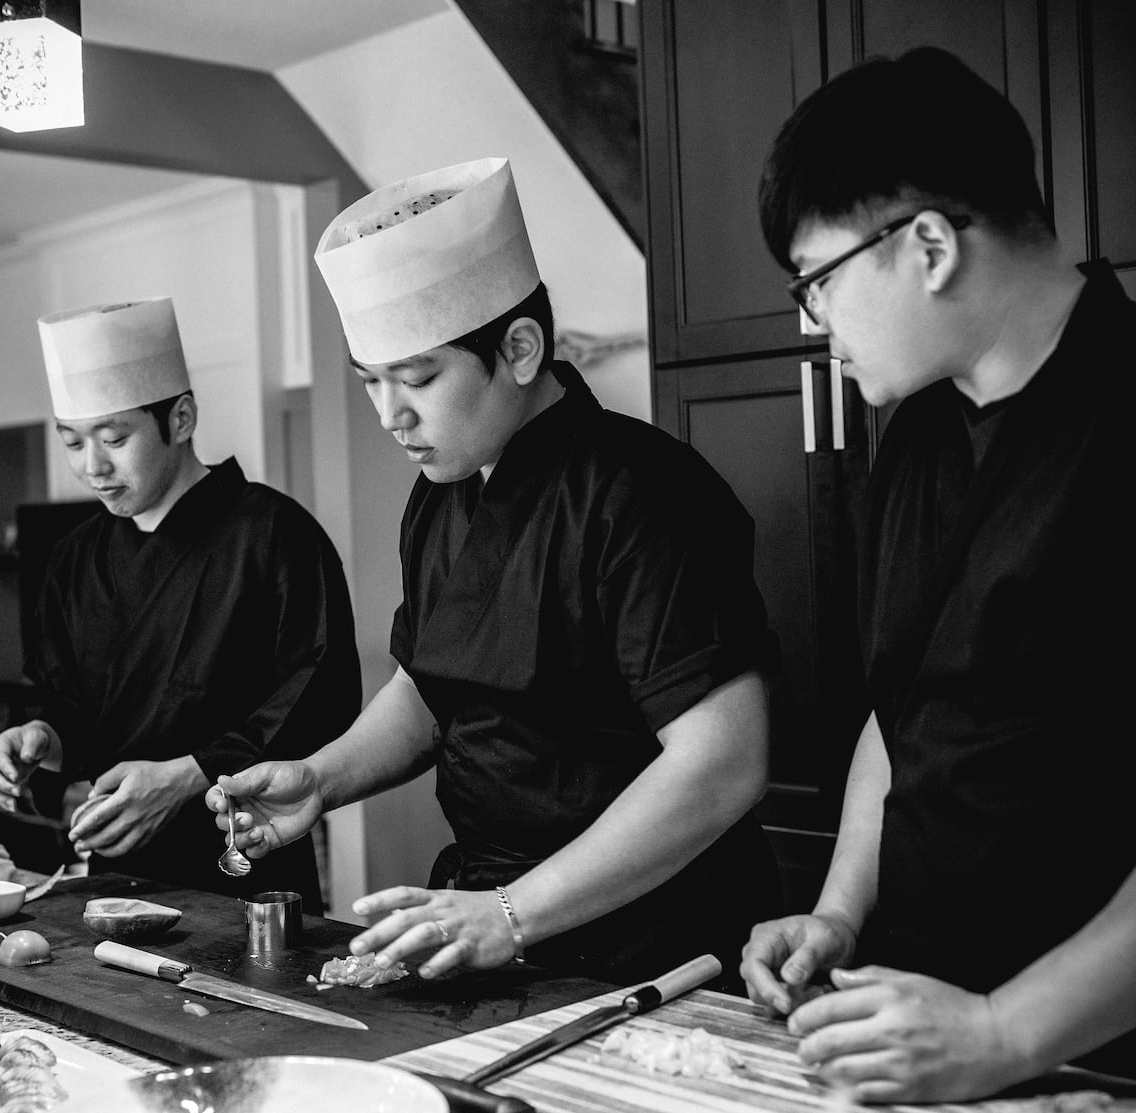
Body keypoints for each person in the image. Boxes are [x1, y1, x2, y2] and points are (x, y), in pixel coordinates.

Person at [206, 158, 781, 983]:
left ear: (518, 348)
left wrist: (513, 914)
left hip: (651, 940)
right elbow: (431, 686)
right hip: (493, 922)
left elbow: (722, 762)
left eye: (418, 379)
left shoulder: (643, 492)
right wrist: (320, 780)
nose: (389, 416)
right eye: (370, 383)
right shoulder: (440, 496)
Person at [739, 47, 1136, 1101]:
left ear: (924, 245)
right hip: (914, 1026)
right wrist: (837, 912)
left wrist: (1002, 1031)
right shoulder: (914, 430)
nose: (810, 321)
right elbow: (901, 711)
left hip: (1095, 1059)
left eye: (816, 281)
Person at [0, 298, 361, 904]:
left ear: (181, 418)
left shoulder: (273, 534)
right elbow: (69, 708)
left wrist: (189, 774)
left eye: (114, 438)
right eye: (73, 443)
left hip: (247, 864)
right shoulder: (75, 557)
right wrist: (40, 739)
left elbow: (321, 698)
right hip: (115, 874)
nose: (93, 467)